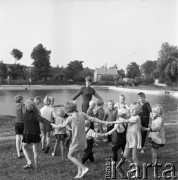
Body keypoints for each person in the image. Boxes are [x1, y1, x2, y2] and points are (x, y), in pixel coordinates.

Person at [51, 101, 108, 179]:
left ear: (67, 111)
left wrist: (54, 125)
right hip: (83, 141)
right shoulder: (82, 114)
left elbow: (61, 126)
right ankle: (79, 174)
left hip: (76, 141)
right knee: (78, 156)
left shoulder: (70, 118)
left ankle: (84, 168)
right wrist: (104, 122)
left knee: (69, 156)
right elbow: (93, 119)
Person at [108, 102, 145, 169]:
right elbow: (124, 116)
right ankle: (129, 167)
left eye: (133, 110)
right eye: (130, 109)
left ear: (138, 111)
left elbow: (124, 121)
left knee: (134, 157)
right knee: (125, 155)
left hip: (135, 138)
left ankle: (137, 171)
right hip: (129, 138)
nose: (131, 111)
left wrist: (111, 122)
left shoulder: (136, 118)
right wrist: (121, 112)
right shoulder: (132, 116)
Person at [22, 99, 52, 169]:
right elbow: (42, 120)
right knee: (35, 150)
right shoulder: (36, 114)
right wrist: (51, 123)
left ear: (27, 106)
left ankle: (29, 162)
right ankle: (36, 165)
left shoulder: (25, 113)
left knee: (24, 147)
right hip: (35, 134)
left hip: (27, 134)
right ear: (33, 106)